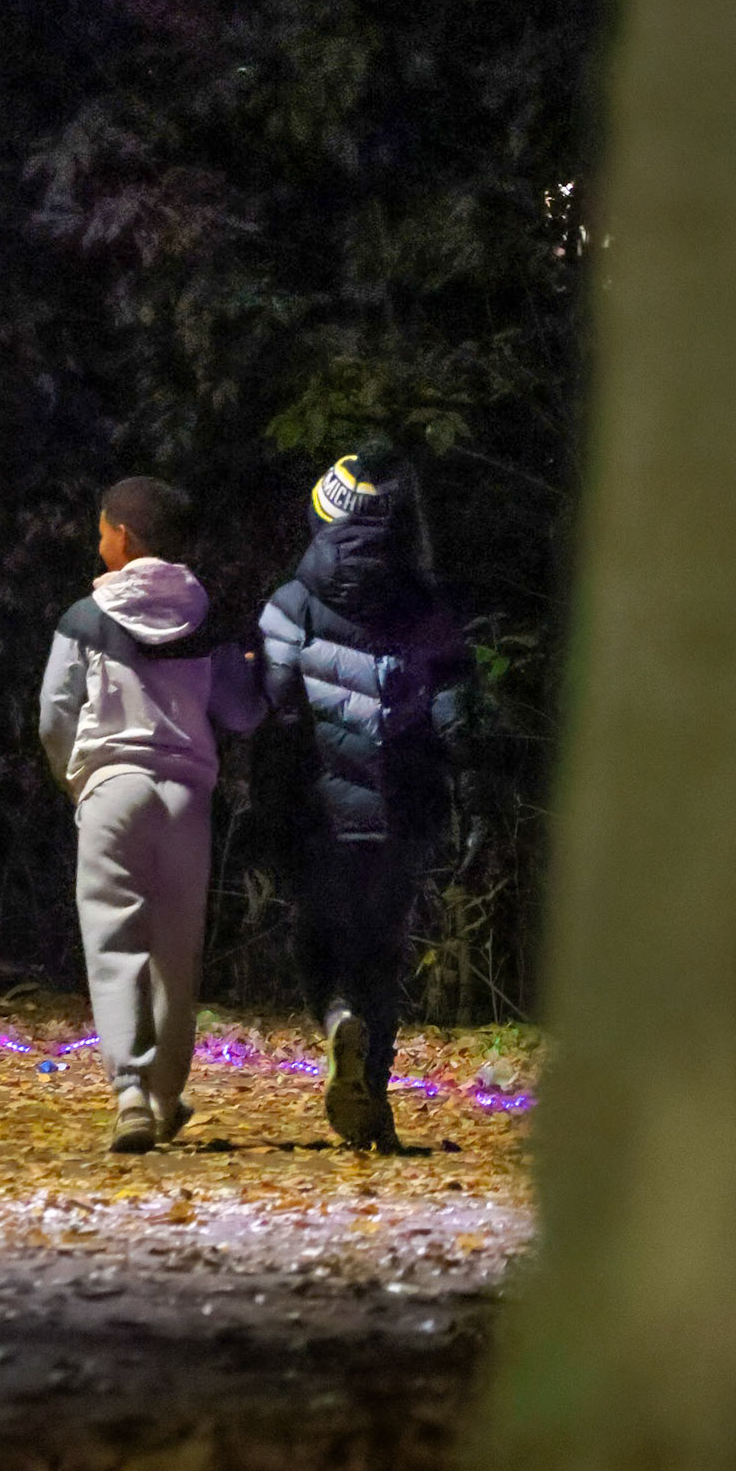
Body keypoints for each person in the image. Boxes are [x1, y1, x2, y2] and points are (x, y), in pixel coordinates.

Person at [258, 437, 471, 1152]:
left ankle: (335, 1020)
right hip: (402, 812)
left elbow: (272, 710)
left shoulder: (289, 605)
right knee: (382, 951)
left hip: (315, 814)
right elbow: (456, 717)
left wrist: (267, 800)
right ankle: (372, 1101)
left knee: (318, 940)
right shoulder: (429, 610)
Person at [39, 477, 264, 1151]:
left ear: (125, 539)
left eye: (102, 528)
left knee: (114, 945)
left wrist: (76, 780)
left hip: (113, 788)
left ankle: (128, 1091)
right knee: (176, 953)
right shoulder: (207, 617)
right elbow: (242, 711)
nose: (96, 539)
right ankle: (166, 1095)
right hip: (186, 795)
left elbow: (55, 710)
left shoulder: (87, 616)